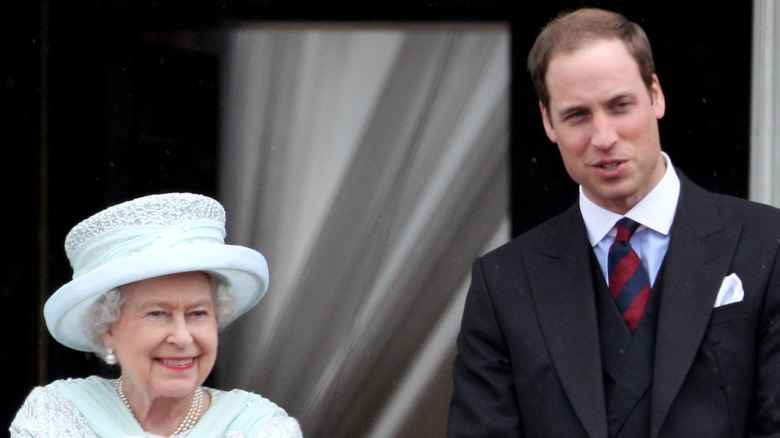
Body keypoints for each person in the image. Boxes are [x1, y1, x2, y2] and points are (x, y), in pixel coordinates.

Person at [448, 7, 780, 438]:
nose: (603, 137)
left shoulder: (767, 243)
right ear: (548, 122)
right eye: (577, 115)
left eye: (620, 105)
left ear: (656, 95)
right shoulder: (504, 282)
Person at [10, 193, 303, 437]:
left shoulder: (259, 427)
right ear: (107, 327)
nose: (182, 336)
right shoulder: (57, 417)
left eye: (198, 313)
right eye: (157, 314)